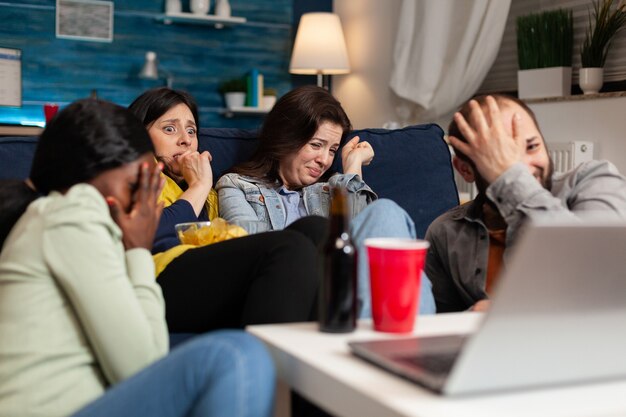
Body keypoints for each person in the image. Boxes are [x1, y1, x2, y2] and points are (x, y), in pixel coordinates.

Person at [0, 99, 275, 417]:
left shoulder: (59, 220)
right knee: (235, 355)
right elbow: (142, 364)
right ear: (95, 173)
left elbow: (146, 347)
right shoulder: (73, 213)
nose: (147, 199)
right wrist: (140, 251)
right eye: (139, 184)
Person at [215, 85, 437, 317]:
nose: (324, 160)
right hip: (293, 289)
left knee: (386, 211)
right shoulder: (236, 184)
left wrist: (352, 167)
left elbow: (364, 236)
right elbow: (249, 244)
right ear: (285, 136)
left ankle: (407, 336)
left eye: (332, 150)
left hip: (353, 288)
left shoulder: (332, 188)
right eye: (316, 145)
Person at [128, 88, 321, 332]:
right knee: (289, 247)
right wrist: (198, 186)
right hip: (159, 278)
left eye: (191, 131)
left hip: (210, 280)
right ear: (139, 135)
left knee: (316, 229)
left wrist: (200, 186)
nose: (186, 140)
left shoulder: (208, 191)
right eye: (169, 129)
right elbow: (148, 235)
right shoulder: (138, 173)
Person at [425, 94, 626, 313]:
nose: (524, 169)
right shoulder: (444, 232)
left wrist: (508, 177)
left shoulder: (594, 179)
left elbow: (599, 273)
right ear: (465, 169)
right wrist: (476, 317)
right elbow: (440, 328)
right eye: (498, 157)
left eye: (531, 147)